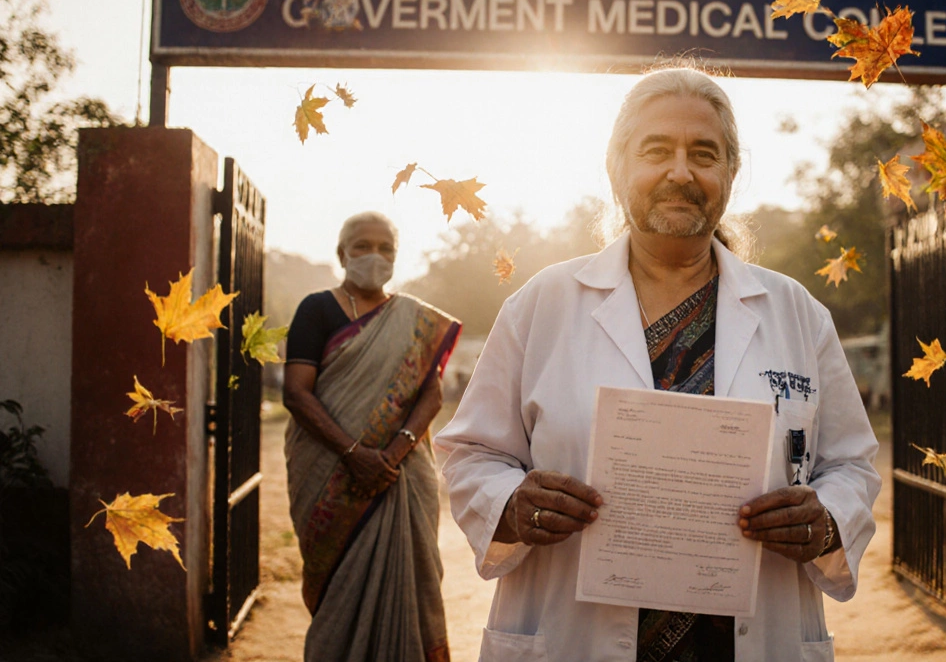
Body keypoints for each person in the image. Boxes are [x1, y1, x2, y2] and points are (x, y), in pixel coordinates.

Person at [434, 68, 881, 661]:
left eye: (704, 153)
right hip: (575, 634)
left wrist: (824, 521)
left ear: (730, 174)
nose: (680, 172)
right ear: (618, 168)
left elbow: (850, 464)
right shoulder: (543, 305)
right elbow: (472, 454)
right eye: (656, 151)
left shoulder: (795, 312)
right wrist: (511, 505)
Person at [283, 211, 460, 662]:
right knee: (337, 588)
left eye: (385, 248)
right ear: (342, 254)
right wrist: (353, 453)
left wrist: (393, 455)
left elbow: (432, 395)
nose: (374, 256)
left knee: (414, 580)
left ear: (396, 258)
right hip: (329, 475)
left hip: (400, 476)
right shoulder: (316, 309)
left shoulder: (416, 320)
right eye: (363, 246)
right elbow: (297, 394)